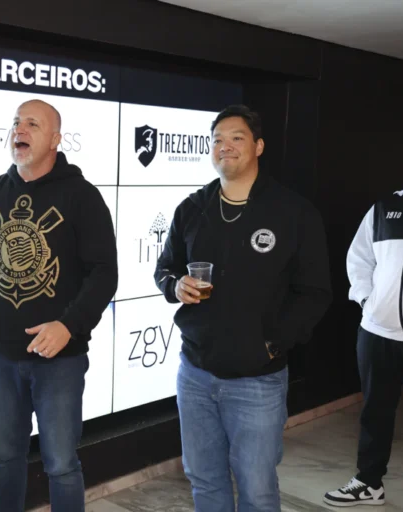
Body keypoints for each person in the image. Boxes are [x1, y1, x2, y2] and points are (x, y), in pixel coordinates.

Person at [0, 99, 117, 512]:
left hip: (59, 359)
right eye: (17, 122)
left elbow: (104, 273)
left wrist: (68, 325)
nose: (19, 129)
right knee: (4, 458)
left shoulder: (81, 196)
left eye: (32, 124)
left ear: (55, 139)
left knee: (61, 465)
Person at [154, 104, 332, 512]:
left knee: (256, 489)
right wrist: (175, 285)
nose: (225, 146)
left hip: (257, 381)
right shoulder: (192, 208)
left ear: (259, 146)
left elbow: (315, 293)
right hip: (195, 374)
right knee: (204, 480)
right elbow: (165, 269)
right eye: (217, 139)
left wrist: (272, 344)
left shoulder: (293, 212)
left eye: (237, 138)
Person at [323, 129, 403, 507]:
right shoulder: (384, 208)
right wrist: (367, 300)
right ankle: (369, 483)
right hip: (378, 331)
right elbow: (359, 258)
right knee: (375, 412)